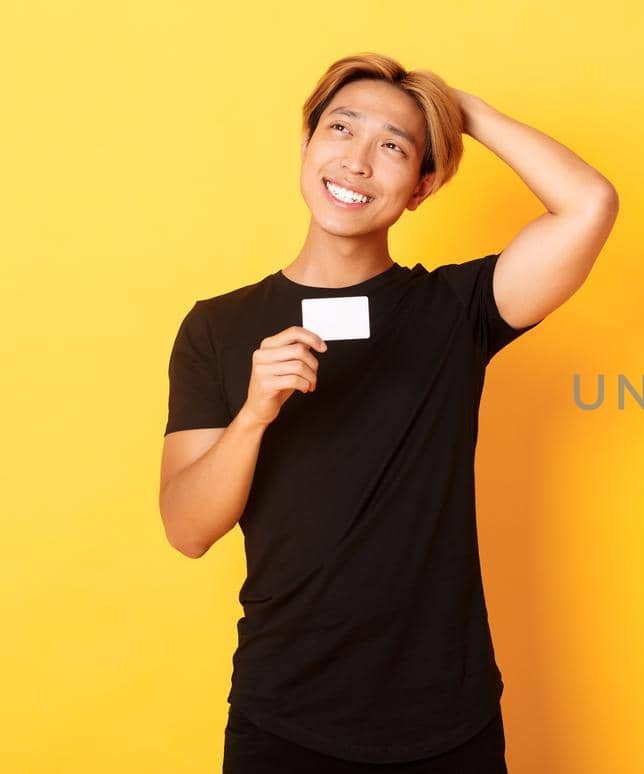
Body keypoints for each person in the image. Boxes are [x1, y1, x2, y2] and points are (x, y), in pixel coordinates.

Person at [157, 52, 618, 772]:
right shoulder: (217, 328)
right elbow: (186, 530)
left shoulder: (456, 311)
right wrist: (253, 414)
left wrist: (466, 114)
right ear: (307, 145)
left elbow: (590, 204)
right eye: (340, 129)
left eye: (393, 147)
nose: (358, 161)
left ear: (423, 186)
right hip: (283, 715)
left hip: (447, 719)